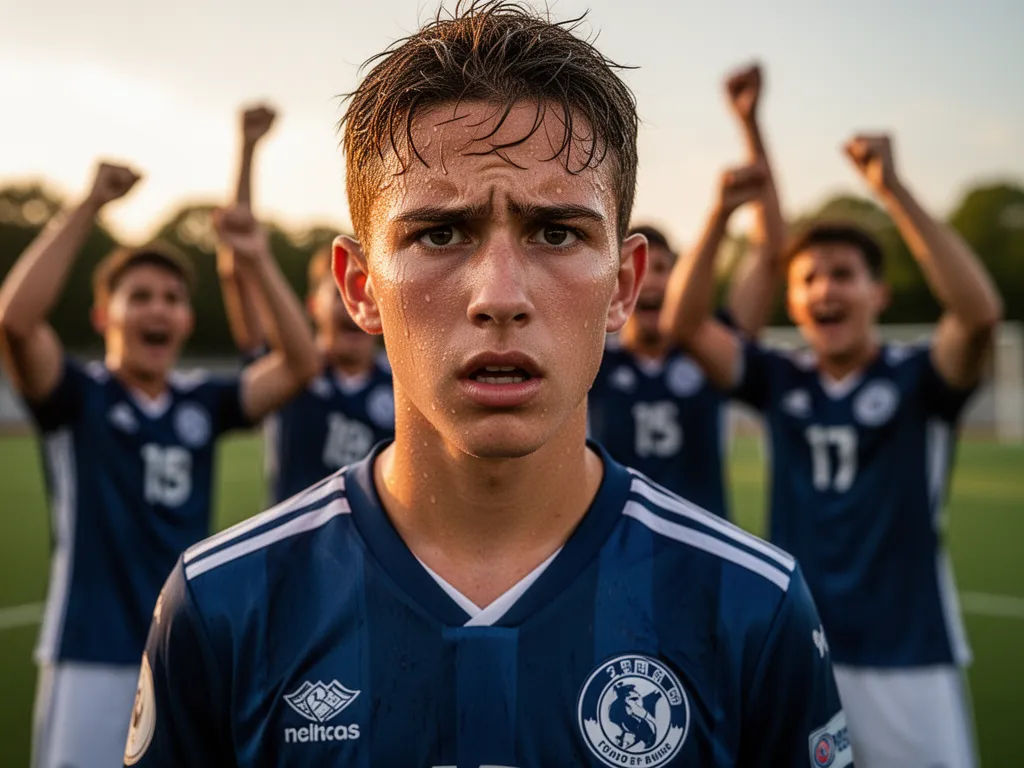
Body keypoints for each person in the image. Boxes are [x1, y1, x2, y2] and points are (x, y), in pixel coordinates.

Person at [127, 4, 850, 766]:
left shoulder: (753, 607)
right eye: (439, 233)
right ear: (360, 286)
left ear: (624, 286)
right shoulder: (219, 605)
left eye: (556, 232)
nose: (499, 295)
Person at [663, 132, 1002, 766]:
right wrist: (717, 215)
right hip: (799, 643)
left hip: (907, 651)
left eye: (844, 276)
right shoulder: (780, 379)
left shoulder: (920, 378)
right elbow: (686, 324)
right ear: (792, 300)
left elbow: (979, 314)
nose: (825, 290)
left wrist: (891, 190)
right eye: (809, 278)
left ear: (880, 293)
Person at [0, 163, 319, 768]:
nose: (159, 309)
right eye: (139, 296)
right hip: (91, 647)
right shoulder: (79, 396)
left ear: (187, 321)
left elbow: (301, 363)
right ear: (104, 316)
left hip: (181, 646)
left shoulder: (202, 400)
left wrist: (253, 257)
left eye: (172, 299)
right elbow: (15, 319)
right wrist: (88, 202)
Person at [588, 65, 784, 518]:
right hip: (611, 554)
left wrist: (750, 126)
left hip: (701, 554)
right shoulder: (593, 358)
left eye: (665, 269)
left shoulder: (708, 348)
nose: (653, 281)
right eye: (642, 270)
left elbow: (772, 252)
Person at [218, 105, 395, 503]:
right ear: (312, 305)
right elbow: (240, 268)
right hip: (295, 555)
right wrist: (247, 149)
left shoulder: (402, 380)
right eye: (340, 293)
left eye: (375, 290)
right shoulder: (289, 369)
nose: (358, 303)